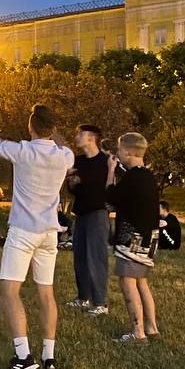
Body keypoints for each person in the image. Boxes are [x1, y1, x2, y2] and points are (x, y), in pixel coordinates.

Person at [0, 104, 74, 369]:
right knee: (46, 294)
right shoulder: (64, 155)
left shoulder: (22, 151)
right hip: (49, 234)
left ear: (30, 127)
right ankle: (49, 359)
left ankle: (22, 356)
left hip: (23, 231)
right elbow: (63, 147)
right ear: (52, 128)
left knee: (9, 290)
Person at [107, 133, 161, 344]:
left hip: (132, 239)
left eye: (120, 150)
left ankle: (137, 332)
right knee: (142, 283)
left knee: (128, 283)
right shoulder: (148, 176)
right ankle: (152, 327)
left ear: (128, 152)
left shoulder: (131, 178)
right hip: (149, 238)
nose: (118, 153)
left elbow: (110, 198)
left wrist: (111, 171)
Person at [66, 124, 111, 316]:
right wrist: (72, 182)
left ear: (92, 137)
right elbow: (73, 189)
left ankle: (100, 302)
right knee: (80, 257)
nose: (77, 137)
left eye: (81, 134)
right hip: (81, 213)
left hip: (98, 214)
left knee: (96, 257)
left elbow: (109, 188)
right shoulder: (78, 161)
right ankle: (83, 297)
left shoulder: (106, 161)